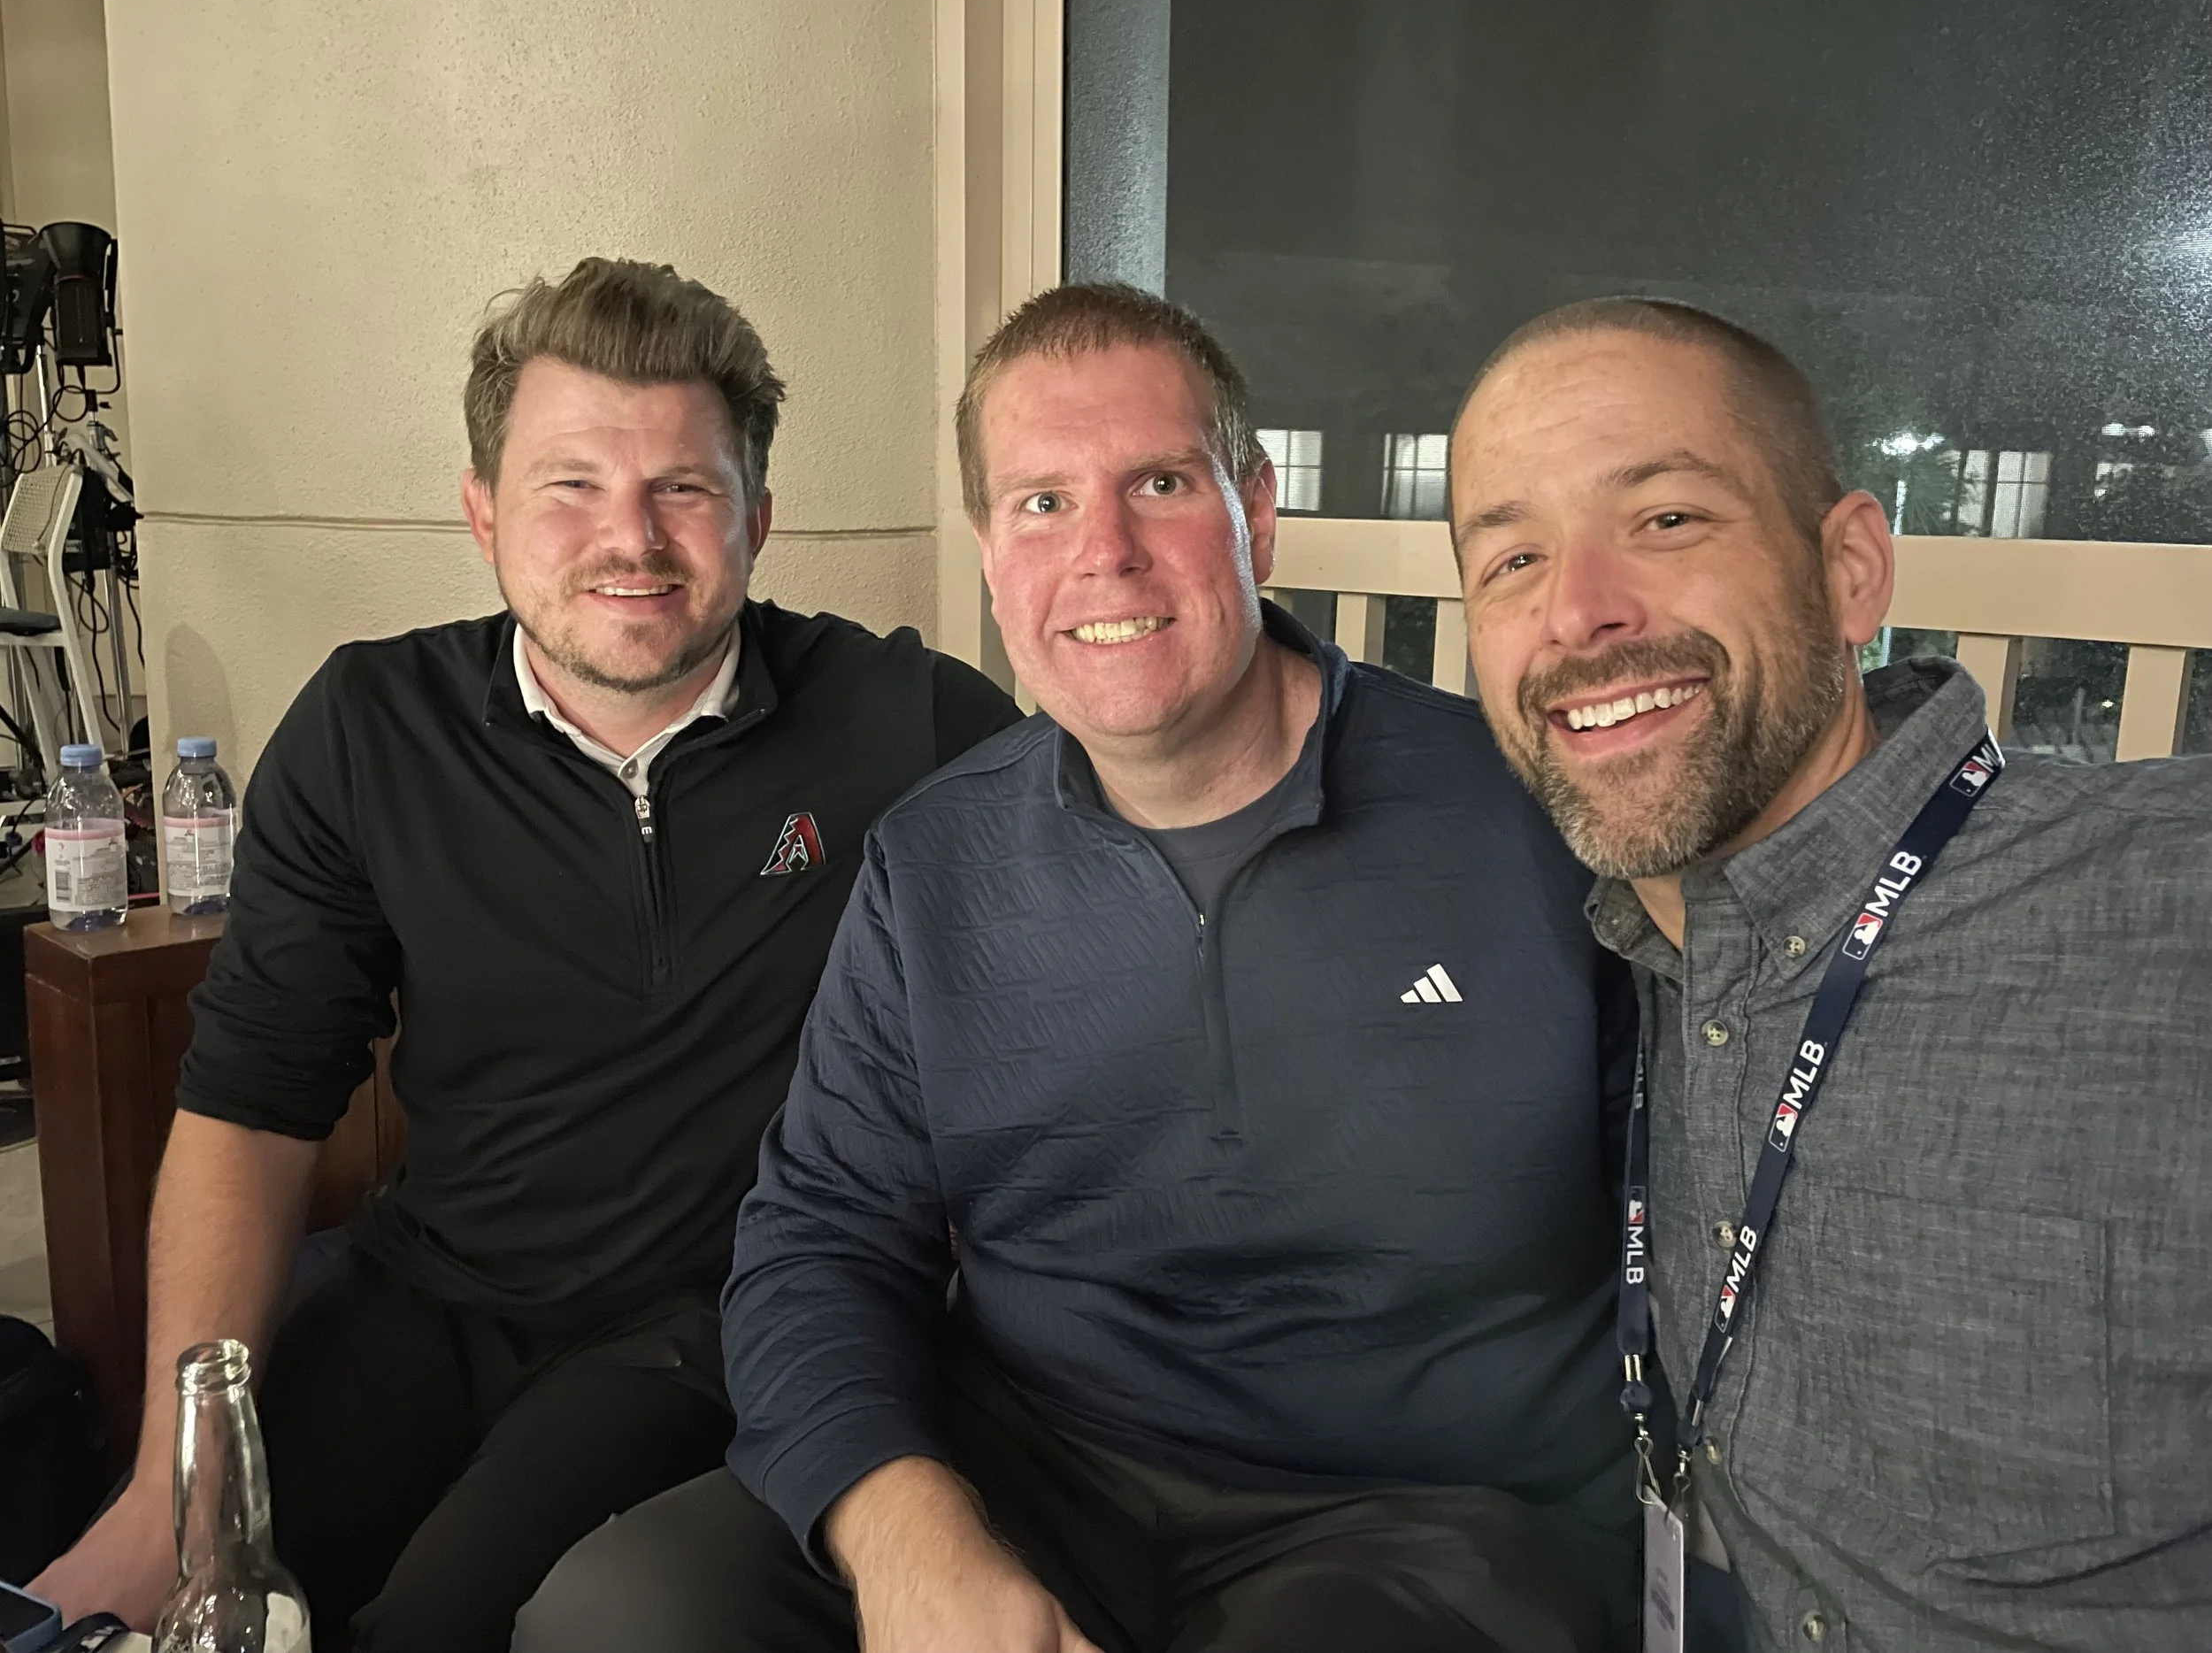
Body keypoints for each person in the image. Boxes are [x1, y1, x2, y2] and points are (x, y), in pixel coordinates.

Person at [516, 282, 1640, 1653]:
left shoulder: (1535, 814)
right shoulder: (936, 861)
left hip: (1428, 1512)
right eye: (1041, 502)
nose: (1103, 551)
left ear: (1256, 511)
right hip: (1036, 1469)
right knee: (617, 1615)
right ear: (992, 554)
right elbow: (819, 1239)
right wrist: (905, 1532)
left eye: (1158, 483)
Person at [30, 257, 1020, 1651]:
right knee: (189, 1577)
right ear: (482, 508)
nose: (632, 536)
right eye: (570, 485)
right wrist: (166, 1479)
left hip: (715, 1317)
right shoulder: (372, 725)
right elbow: (253, 1106)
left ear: (758, 518)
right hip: (430, 1286)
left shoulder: (907, 722)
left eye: (684, 486)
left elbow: (1133, 848)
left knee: (431, 1621)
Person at [1448, 296, 2212, 1651]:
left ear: (1852, 567)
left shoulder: (2160, 900)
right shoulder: (1623, 952)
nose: (1579, 611)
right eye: (1509, 559)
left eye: (1667, 518)